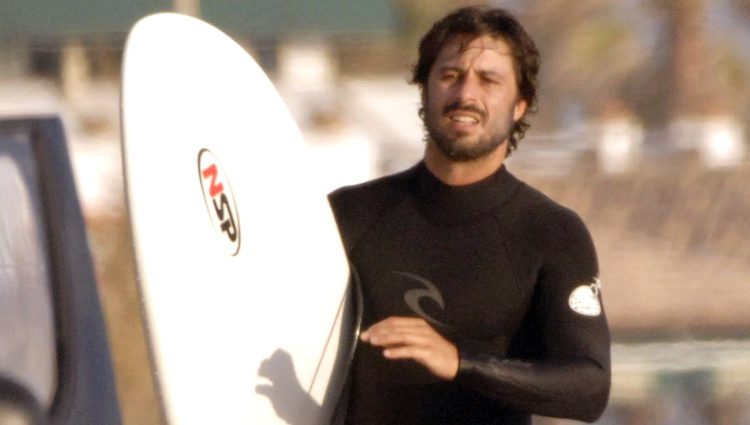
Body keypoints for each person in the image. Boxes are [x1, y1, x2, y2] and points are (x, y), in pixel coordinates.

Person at [328, 6, 610, 425]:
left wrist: (460, 362)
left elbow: (588, 387)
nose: (466, 95)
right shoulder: (348, 215)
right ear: (425, 90)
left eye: (488, 80)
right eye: (450, 76)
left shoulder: (549, 232)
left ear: (520, 105)